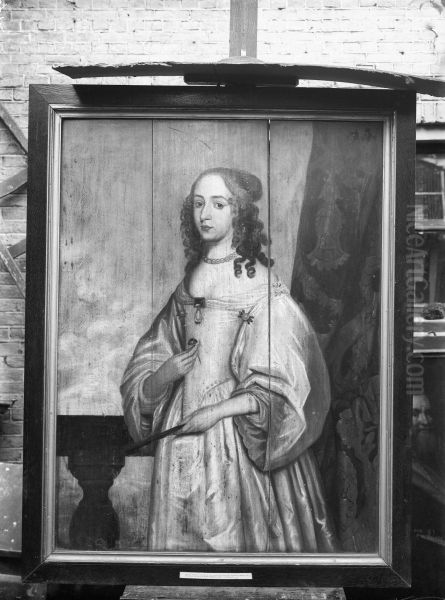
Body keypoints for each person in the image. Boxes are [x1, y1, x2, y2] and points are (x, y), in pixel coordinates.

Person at [121, 167, 337, 553]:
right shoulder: (189, 283)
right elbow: (152, 354)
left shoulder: (260, 286)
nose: (205, 214)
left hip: (237, 435)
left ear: (239, 212)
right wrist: (163, 375)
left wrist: (215, 412)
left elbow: (279, 386)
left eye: (218, 204)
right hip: (181, 430)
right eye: (198, 204)